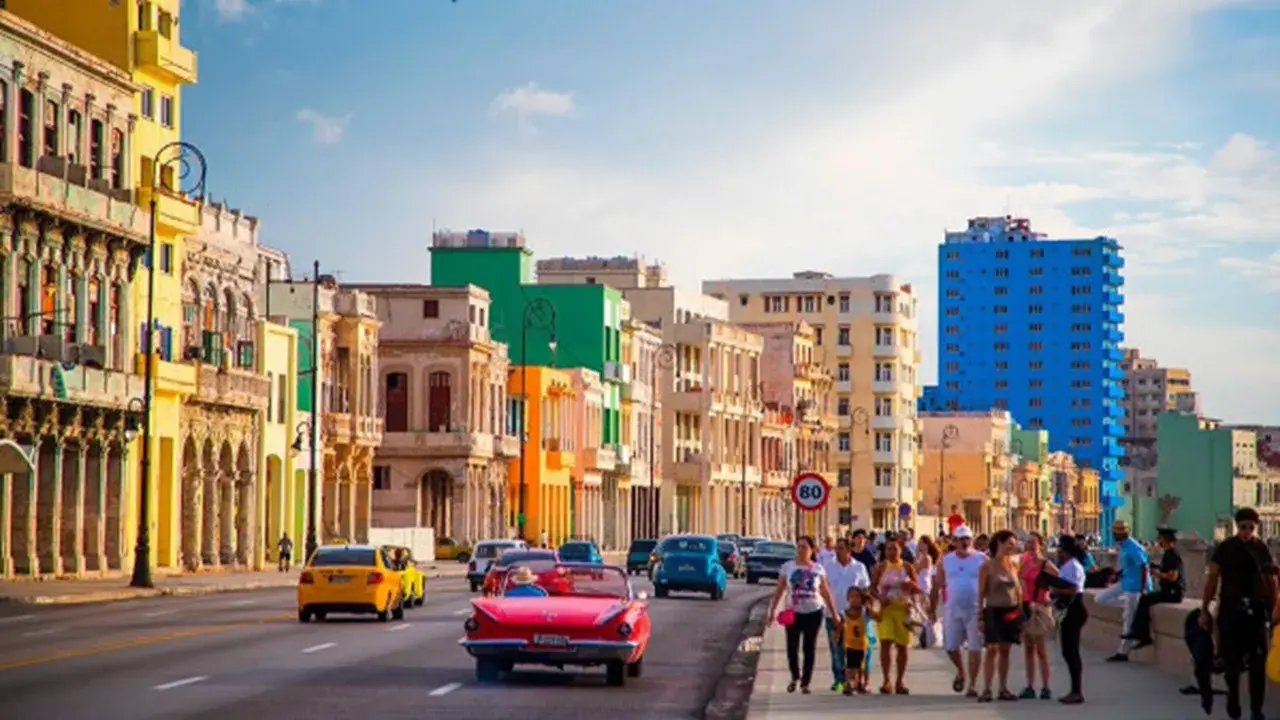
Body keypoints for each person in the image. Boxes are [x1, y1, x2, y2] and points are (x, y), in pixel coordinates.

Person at [1200, 507, 1278, 720]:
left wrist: (1274, 611)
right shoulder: (1225, 549)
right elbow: (1213, 579)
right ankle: (1233, 700)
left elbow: (1272, 581)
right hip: (1231, 610)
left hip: (1256, 612)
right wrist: (1204, 608)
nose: (1247, 531)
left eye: (1251, 528)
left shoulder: (1261, 548)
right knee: (1231, 663)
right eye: (1243, 527)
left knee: (1257, 664)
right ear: (1237, 526)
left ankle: (1256, 709)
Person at [767, 535, 841, 695]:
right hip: (793, 613)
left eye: (804, 547)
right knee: (792, 647)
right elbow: (779, 590)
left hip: (814, 612)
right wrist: (772, 611)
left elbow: (826, 593)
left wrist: (834, 614)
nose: (800, 550)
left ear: (812, 550)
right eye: (798, 547)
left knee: (809, 647)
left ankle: (806, 683)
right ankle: (795, 676)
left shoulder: (818, 569)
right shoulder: (788, 567)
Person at [931, 524, 985, 697]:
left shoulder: (981, 559)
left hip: (975, 610)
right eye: (961, 539)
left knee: (975, 648)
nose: (964, 542)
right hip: (953, 609)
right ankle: (961, 670)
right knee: (951, 646)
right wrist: (931, 609)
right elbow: (936, 586)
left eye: (967, 539)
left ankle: (973, 685)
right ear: (954, 541)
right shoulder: (946, 561)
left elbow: (991, 581)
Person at [977, 529, 1024, 702]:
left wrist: (1021, 611)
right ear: (999, 543)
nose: (1012, 548)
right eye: (1009, 544)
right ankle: (987, 688)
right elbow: (981, 592)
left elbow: (1018, 590)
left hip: (1011, 611)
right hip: (993, 610)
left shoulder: (1013, 565)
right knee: (992, 649)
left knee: (1005, 650)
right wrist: (979, 617)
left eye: (1014, 545)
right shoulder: (987, 566)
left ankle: (1003, 688)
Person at [870, 536, 920, 695]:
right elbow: (871, 589)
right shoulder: (881, 567)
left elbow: (917, 589)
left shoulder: (907, 567)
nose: (892, 552)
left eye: (895, 549)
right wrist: (879, 598)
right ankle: (886, 680)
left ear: (901, 550)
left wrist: (911, 585)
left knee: (902, 646)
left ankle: (900, 681)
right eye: (888, 549)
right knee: (885, 643)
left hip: (903, 610)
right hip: (886, 610)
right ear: (884, 551)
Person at [820, 537, 870, 693]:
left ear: (849, 550)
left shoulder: (859, 567)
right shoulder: (828, 567)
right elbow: (823, 589)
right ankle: (840, 680)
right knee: (837, 649)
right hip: (833, 614)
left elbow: (865, 590)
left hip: (854, 616)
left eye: (841, 548)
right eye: (836, 548)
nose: (837, 550)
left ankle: (855, 680)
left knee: (856, 650)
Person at [1129, 527, 1186, 650]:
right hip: (1168, 591)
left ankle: (1142, 634)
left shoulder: (1173, 555)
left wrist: (1157, 574)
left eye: (1159, 538)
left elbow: (1173, 577)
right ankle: (1139, 633)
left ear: (1165, 540)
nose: (1158, 541)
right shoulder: (1168, 554)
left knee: (1145, 600)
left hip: (1174, 593)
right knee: (1145, 599)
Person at [1100, 520, 1149, 662]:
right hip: (1125, 582)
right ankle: (1128, 605)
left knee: (1128, 621)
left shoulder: (1134, 547)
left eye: (1115, 533)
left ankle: (1123, 653)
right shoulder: (1123, 546)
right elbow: (1129, 565)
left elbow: (1144, 567)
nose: (1113, 535)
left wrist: (1143, 588)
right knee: (1100, 598)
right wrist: (1118, 574)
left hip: (1135, 587)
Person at [1049, 534, 1089, 705]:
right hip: (1071, 610)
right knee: (1068, 651)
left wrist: (1055, 591)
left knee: (1071, 652)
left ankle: (1077, 691)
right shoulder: (1067, 565)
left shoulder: (1073, 566)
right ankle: (1075, 689)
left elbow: (1073, 590)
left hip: (1074, 610)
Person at [1018, 531, 1056, 699]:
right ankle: (1030, 686)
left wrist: (1049, 596)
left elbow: (1061, 581)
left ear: (1040, 544)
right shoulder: (1023, 562)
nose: (1030, 545)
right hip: (1026, 607)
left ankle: (1046, 686)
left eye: (1033, 542)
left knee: (1041, 650)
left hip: (1040, 608)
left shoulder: (1045, 564)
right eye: (1028, 542)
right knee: (1028, 650)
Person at [841, 587, 874, 695]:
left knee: (862, 665)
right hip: (849, 643)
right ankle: (849, 683)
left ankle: (861, 683)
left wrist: (870, 601)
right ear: (847, 599)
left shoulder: (865, 611)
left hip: (862, 643)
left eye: (858, 597)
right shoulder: (844, 613)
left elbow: (876, 615)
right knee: (850, 665)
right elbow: (839, 627)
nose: (855, 599)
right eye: (852, 597)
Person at [915, 535, 941, 648]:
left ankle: (929, 638)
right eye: (919, 542)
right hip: (919, 587)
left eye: (922, 543)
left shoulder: (926, 558)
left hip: (924, 587)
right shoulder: (921, 556)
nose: (919, 545)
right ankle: (926, 637)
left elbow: (915, 569)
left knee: (925, 614)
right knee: (922, 613)